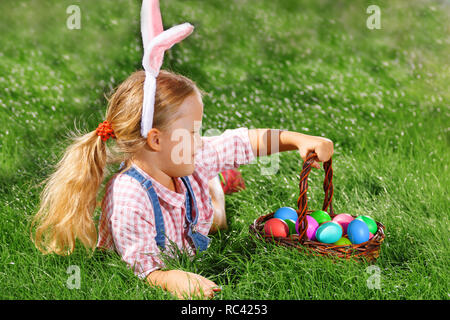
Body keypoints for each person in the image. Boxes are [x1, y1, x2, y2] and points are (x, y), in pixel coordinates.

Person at [30, 1, 334, 300]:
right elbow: (142, 266)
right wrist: (169, 277)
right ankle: (217, 184)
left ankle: (218, 182)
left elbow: (244, 142)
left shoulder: (188, 157)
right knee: (216, 218)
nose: (199, 141)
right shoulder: (129, 198)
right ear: (156, 140)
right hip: (166, 226)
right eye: (192, 133)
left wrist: (297, 139)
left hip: (191, 216)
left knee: (214, 215)